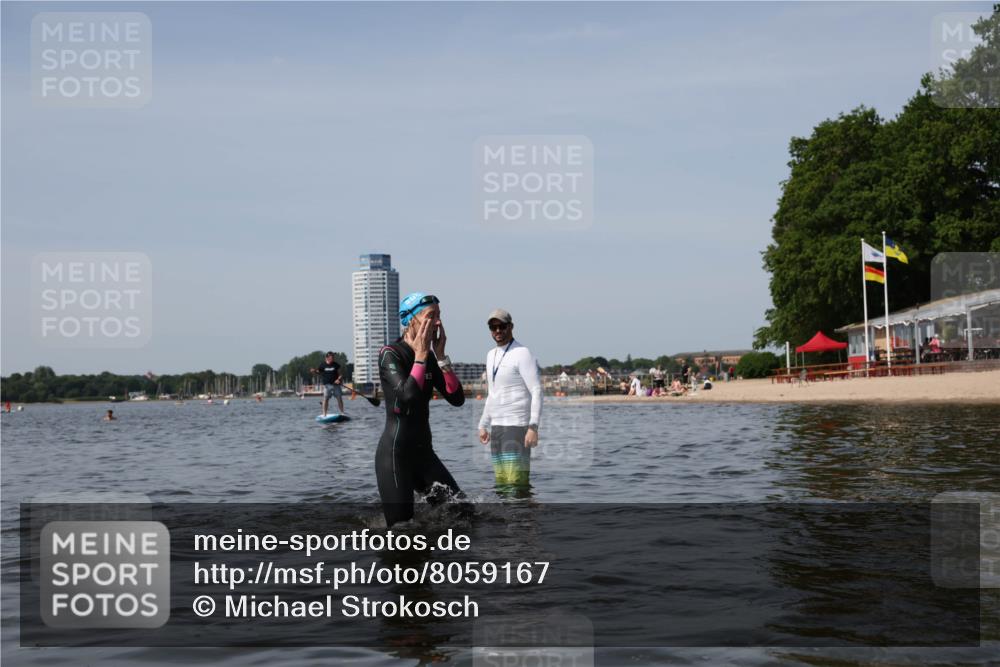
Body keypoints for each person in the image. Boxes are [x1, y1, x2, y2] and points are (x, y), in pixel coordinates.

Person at [376, 292, 465, 527]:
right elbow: (407, 396)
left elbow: (456, 398)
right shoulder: (390, 354)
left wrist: (441, 356)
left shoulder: (431, 359)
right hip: (396, 457)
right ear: (409, 320)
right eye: (430, 316)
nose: (437, 322)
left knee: (463, 514)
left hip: (424, 455)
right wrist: (422, 354)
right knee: (402, 530)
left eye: (439, 315)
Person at [477, 309, 543, 489]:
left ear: (511, 327)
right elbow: (493, 393)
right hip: (497, 427)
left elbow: (537, 390)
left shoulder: (522, 353)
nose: (497, 331)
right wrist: (483, 424)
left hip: (516, 426)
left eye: (502, 326)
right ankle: (508, 518)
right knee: (501, 485)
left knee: (516, 485)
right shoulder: (491, 355)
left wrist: (533, 427)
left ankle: (524, 517)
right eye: (493, 327)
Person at [310, 351, 344, 417]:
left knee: (339, 398)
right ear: (327, 358)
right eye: (332, 357)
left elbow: (341, 374)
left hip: (336, 385)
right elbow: (318, 372)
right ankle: (324, 415)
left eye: (333, 357)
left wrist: (338, 379)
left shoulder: (336, 365)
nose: (333, 358)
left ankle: (342, 413)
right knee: (325, 399)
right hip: (327, 386)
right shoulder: (322, 365)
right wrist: (314, 371)